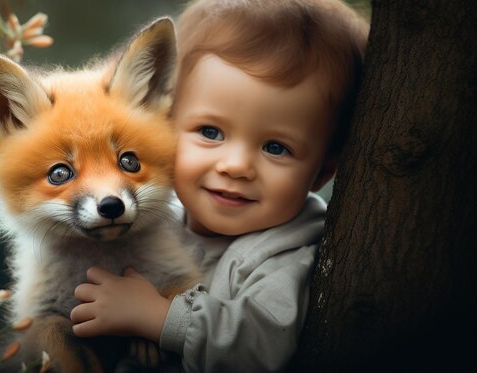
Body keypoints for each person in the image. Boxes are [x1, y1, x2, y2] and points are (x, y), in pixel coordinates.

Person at [70, 0, 369, 371]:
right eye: (210, 132)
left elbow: (258, 348)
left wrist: (158, 318)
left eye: (276, 148)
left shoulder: (285, 255)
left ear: (322, 173)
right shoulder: (155, 217)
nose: (236, 166)